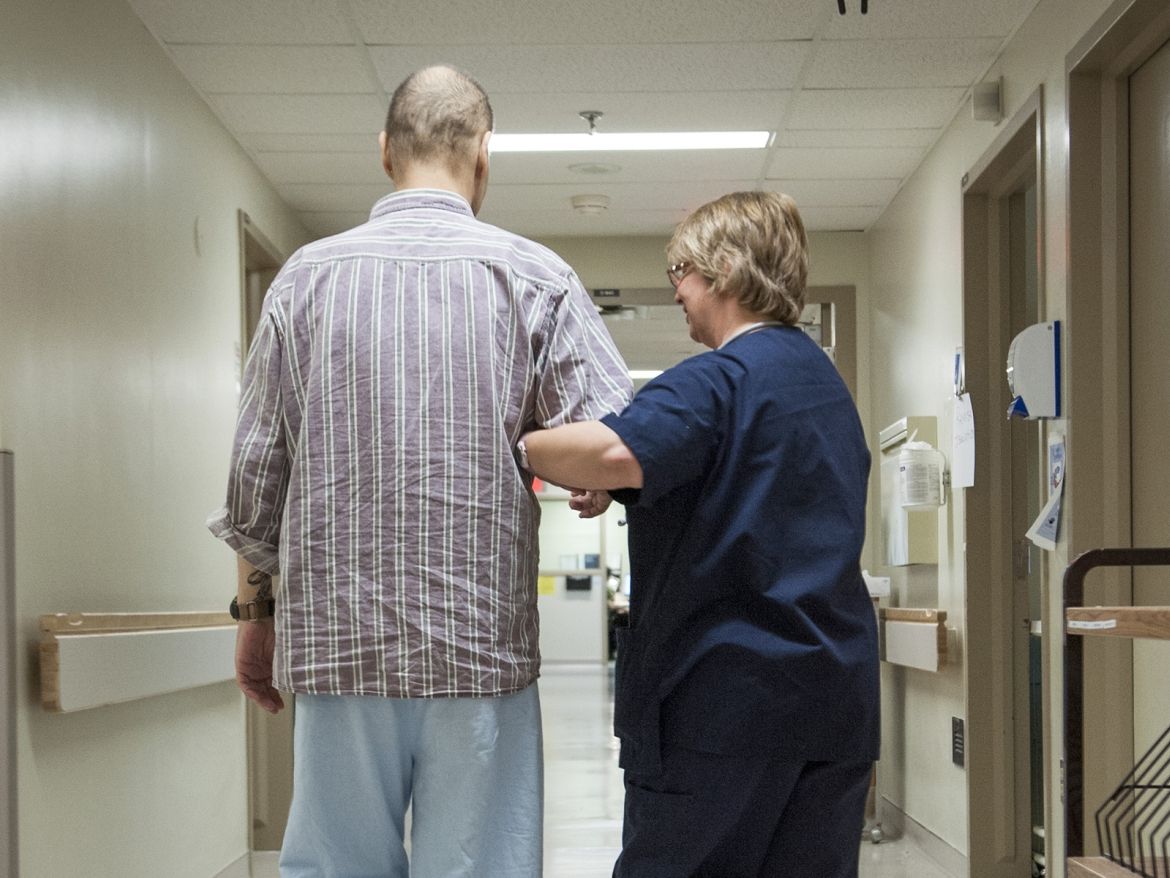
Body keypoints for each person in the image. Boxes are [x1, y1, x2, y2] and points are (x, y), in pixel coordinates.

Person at [207, 65, 632, 878]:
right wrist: (590, 476)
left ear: (384, 152)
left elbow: (257, 479)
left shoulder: (304, 279)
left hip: (339, 647)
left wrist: (253, 618)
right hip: (480, 651)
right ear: (483, 155)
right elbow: (617, 433)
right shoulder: (536, 277)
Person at [519, 191, 880, 877]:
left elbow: (616, 453)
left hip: (725, 710)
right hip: (832, 704)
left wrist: (520, 444)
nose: (678, 291)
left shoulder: (723, 377)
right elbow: (732, 484)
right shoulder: (823, 386)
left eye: (679, 271)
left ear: (720, 272)